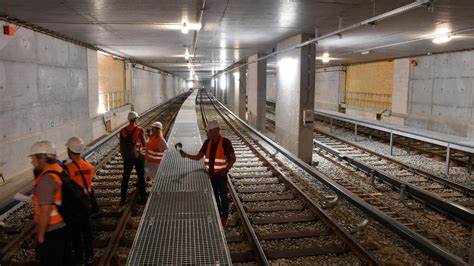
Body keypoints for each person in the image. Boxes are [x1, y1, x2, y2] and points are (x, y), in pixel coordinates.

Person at [179, 120, 236, 226]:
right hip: (211, 175)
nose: (207, 133)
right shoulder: (207, 142)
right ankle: (218, 214)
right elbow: (198, 157)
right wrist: (185, 154)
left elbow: (233, 158)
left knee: (223, 196)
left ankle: (224, 217)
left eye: (209, 131)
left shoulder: (225, 142)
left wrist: (226, 169)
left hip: (221, 175)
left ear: (216, 130)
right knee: (215, 195)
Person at [29, 141, 68, 266]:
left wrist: (40, 235)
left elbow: (45, 211)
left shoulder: (46, 179)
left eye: (33, 158)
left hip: (52, 229)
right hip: (63, 224)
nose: (32, 162)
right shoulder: (59, 170)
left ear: (41, 159)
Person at [64, 137, 94, 265]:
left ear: (70, 151)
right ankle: (89, 257)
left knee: (76, 236)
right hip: (86, 204)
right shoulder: (89, 166)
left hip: (74, 208)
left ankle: (79, 259)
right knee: (87, 233)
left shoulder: (67, 169)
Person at [120, 111, 147, 205]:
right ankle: (143, 198)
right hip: (138, 156)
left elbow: (122, 145)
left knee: (125, 178)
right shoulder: (140, 129)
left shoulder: (122, 130)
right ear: (135, 119)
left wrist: (125, 156)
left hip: (128, 157)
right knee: (141, 177)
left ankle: (122, 199)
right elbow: (144, 144)